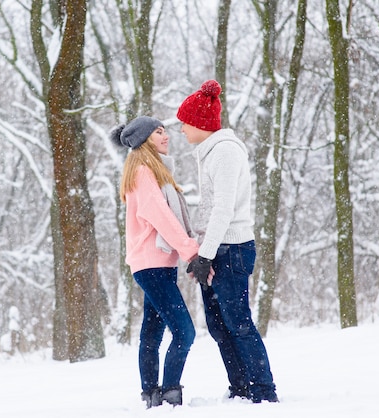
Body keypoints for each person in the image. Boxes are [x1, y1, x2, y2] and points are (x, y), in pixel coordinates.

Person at [178, 80, 279, 403]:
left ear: (200, 124)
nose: (181, 129)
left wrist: (205, 255)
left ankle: (263, 391)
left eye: (185, 123)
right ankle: (240, 388)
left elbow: (223, 208)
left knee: (238, 323)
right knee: (219, 326)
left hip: (231, 249)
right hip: (214, 248)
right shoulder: (209, 153)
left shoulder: (224, 152)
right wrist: (201, 250)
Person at [110, 116, 199, 408]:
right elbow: (162, 216)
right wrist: (190, 250)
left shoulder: (147, 170)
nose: (166, 136)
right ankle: (170, 394)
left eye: (165, 131)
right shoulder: (143, 172)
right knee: (184, 331)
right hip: (152, 264)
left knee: (151, 332)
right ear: (145, 138)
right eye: (159, 132)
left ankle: (151, 396)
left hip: (155, 264)